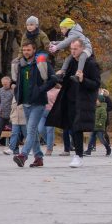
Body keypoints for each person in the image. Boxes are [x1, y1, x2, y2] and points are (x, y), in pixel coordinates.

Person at [44, 40, 102, 168]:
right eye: (71, 49)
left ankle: (78, 156)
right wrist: (58, 77)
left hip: (83, 101)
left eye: (76, 48)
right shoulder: (70, 62)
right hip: (69, 99)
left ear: (83, 49)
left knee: (77, 128)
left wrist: (83, 80)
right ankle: (77, 154)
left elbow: (96, 84)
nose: (73, 51)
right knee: (71, 127)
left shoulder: (91, 64)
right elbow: (65, 81)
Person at [10, 42, 53, 168]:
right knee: (32, 132)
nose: (26, 52)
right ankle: (38, 157)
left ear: (34, 50)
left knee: (31, 130)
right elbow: (15, 80)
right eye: (24, 50)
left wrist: (41, 89)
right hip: (25, 102)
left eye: (28, 50)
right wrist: (15, 88)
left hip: (38, 102)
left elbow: (54, 79)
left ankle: (23, 156)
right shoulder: (21, 64)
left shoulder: (41, 62)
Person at [42, 82, 60, 155]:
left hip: (51, 112)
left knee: (49, 130)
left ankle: (49, 149)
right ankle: (50, 143)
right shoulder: (43, 89)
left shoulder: (58, 90)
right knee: (40, 129)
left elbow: (59, 102)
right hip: (42, 112)